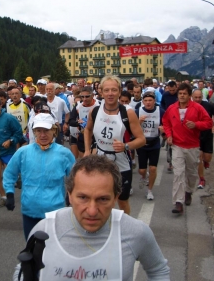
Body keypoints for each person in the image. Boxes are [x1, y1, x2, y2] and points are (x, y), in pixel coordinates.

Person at [14, 155, 170, 280]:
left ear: (116, 197)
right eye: (83, 197)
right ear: (69, 195)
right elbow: (22, 269)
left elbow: (158, 270)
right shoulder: (44, 229)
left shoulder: (136, 232)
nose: (92, 211)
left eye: (103, 199)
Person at [3, 113, 75, 239]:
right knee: (31, 250)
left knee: (54, 250)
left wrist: (71, 194)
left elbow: (75, 177)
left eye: (46, 130)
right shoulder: (23, 152)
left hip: (55, 211)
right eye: (38, 131)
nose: (42, 135)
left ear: (54, 130)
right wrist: (9, 193)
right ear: (34, 131)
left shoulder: (64, 153)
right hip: (30, 210)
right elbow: (10, 173)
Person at [84, 75, 146, 214]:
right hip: (100, 161)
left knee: (122, 201)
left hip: (121, 163)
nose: (110, 93)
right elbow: (87, 130)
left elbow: (141, 139)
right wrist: (88, 150)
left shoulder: (127, 112)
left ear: (119, 91)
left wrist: (126, 146)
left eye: (113, 90)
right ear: (101, 92)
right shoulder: (94, 111)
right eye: (106, 90)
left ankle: (125, 229)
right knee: (100, 198)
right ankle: (103, 226)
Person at [162, 83, 213, 214]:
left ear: (189, 95)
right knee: (178, 173)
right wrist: (169, 135)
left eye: (184, 94)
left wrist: (196, 124)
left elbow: (208, 123)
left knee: (191, 173)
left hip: (192, 146)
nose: (182, 96)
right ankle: (178, 202)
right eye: (180, 93)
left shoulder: (198, 108)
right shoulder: (172, 108)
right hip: (177, 145)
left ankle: (188, 191)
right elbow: (166, 122)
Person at [135, 91, 165, 200]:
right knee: (142, 170)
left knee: (153, 168)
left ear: (154, 101)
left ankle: (150, 191)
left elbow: (166, 125)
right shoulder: (138, 111)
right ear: (143, 101)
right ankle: (143, 176)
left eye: (150, 100)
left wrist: (163, 130)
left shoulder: (160, 111)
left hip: (154, 142)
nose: (148, 103)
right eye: (146, 100)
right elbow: (131, 128)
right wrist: (138, 122)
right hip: (142, 143)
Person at [191, 90, 214, 189]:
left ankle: (206, 161)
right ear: (192, 97)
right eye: (196, 97)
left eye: (200, 97)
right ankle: (202, 179)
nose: (198, 99)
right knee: (199, 158)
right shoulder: (189, 106)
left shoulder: (208, 105)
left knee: (207, 158)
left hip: (207, 134)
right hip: (196, 135)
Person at [68, 86, 99, 159]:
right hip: (82, 135)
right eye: (82, 97)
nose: (84, 99)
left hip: (96, 136)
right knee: (84, 161)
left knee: (94, 161)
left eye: (87, 96)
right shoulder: (78, 105)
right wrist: (77, 122)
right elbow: (71, 121)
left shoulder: (99, 104)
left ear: (93, 95)